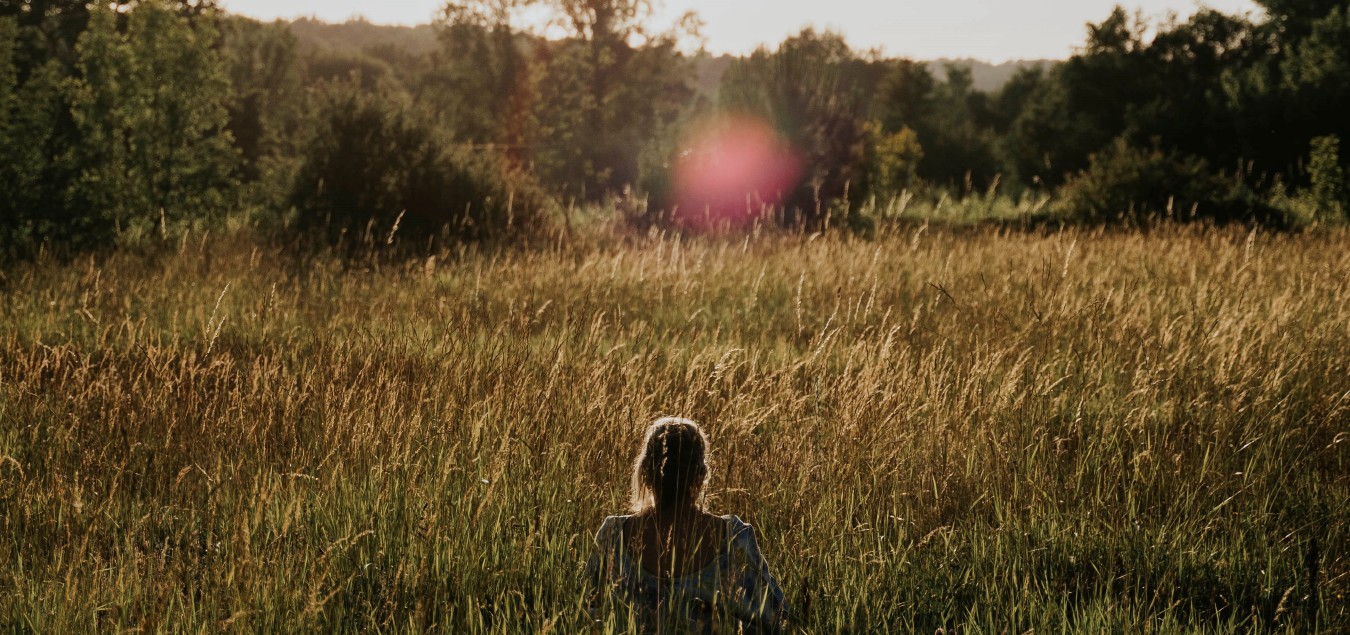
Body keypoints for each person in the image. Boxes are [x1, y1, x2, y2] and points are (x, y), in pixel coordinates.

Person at [584, 417, 788, 633]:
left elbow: (584, 614)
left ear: (644, 473)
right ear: (701, 477)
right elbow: (779, 619)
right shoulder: (734, 537)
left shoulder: (613, 535)